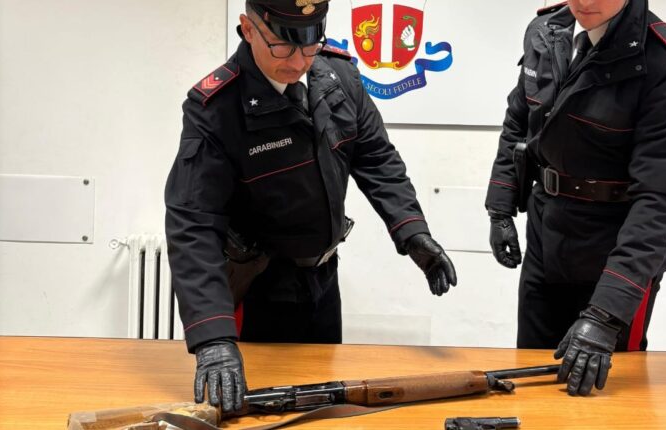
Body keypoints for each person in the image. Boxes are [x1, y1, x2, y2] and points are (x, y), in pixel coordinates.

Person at [165, 0, 457, 412]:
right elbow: (193, 223)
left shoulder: (337, 77)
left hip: (323, 281)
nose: (298, 61)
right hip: (260, 288)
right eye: (283, 46)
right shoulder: (216, 109)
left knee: (324, 404)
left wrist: (412, 232)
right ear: (247, 29)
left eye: (309, 45)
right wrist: (213, 339)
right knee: (259, 412)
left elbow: (377, 159)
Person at [486, 0, 666, 396]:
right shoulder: (547, 32)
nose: (585, 2)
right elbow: (519, 121)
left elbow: (659, 201)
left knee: (601, 398)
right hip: (547, 236)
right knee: (531, 379)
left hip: (616, 251)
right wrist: (500, 207)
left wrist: (606, 315)